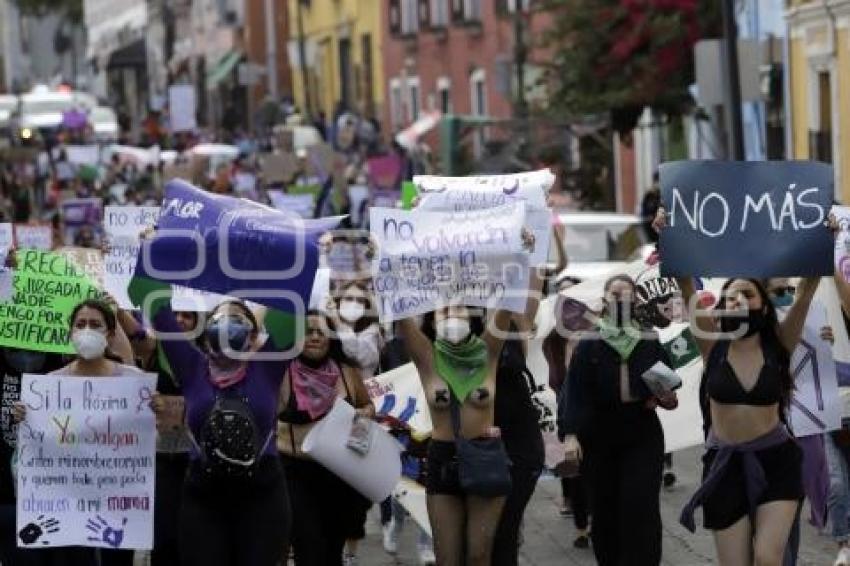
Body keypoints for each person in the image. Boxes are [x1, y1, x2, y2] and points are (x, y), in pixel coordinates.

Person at [657, 202, 825, 565]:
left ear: (762, 306)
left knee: (767, 558)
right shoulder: (712, 344)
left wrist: (823, 239)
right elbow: (685, 284)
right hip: (724, 462)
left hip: (776, 460)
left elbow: (808, 290)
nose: (736, 299)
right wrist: (668, 234)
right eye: (729, 295)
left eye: (746, 294)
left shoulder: (779, 344)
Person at [127, 276, 293, 566]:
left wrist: (287, 257)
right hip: (205, 496)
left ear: (253, 336)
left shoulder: (269, 364)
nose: (229, 323)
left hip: (262, 495)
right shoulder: (190, 366)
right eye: (220, 318)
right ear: (206, 332)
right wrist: (153, 254)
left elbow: (292, 305)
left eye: (239, 319)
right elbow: (151, 298)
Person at [13, 299, 147, 566]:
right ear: (70, 333)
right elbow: (35, 452)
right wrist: (24, 419)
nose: (87, 330)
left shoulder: (133, 383)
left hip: (116, 507)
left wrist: (157, 410)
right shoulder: (48, 386)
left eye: (95, 324)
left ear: (110, 334)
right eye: (81, 324)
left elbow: (147, 442)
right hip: (67, 506)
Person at [558, 274, 677, 566]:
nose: (621, 299)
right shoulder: (589, 343)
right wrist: (571, 436)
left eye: (627, 294)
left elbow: (666, 385)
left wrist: (665, 396)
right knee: (606, 506)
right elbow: (574, 391)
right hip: (599, 432)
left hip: (641, 429)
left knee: (641, 505)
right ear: (605, 301)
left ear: (635, 299)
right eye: (615, 294)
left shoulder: (648, 338)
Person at [397, 303, 513, 566]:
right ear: (432, 320)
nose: (451, 315)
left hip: (484, 457)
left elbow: (508, 306)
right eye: (443, 311)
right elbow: (399, 311)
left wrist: (522, 265)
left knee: (479, 556)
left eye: (459, 309)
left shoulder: (487, 351)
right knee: (446, 558)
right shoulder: (427, 357)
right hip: (442, 461)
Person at [277, 310, 374, 566]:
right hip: (296, 476)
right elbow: (267, 420)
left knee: (332, 552)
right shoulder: (281, 372)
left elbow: (368, 407)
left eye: (322, 332)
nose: (315, 337)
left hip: (340, 476)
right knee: (309, 550)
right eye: (308, 331)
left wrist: (363, 415)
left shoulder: (347, 371)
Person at [115, 306, 202, 566]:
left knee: (193, 534)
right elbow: (137, 335)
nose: (180, 320)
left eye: (188, 316)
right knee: (163, 535)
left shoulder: (208, 356)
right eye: (175, 314)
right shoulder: (156, 350)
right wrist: (118, 311)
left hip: (196, 460)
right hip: (160, 458)